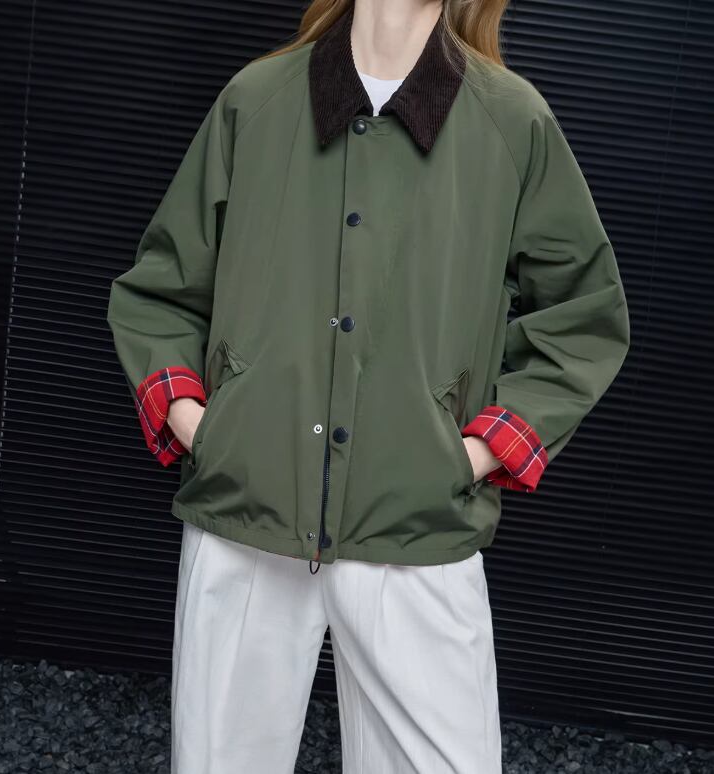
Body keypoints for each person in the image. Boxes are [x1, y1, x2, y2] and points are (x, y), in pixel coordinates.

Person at [106, 0, 631, 771]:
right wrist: (206, 429)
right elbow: (160, 291)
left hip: (415, 526)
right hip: (245, 518)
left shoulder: (510, 122)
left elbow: (584, 318)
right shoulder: (257, 101)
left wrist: (470, 456)